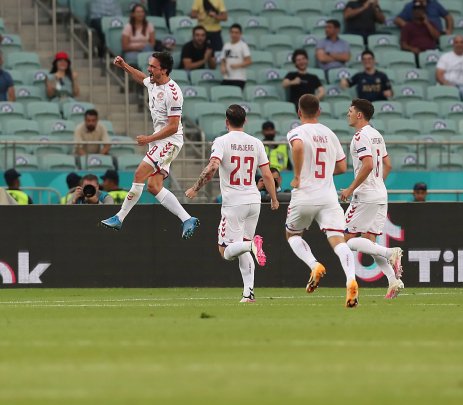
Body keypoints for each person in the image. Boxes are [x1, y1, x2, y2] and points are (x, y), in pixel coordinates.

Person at [100, 52, 200, 239]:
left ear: (164, 70)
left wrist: (148, 138)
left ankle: (119, 217)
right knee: (154, 186)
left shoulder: (173, 93)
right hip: (159, 141)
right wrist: (124, 66)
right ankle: (187, 219)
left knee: (139, 174)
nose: (149, 69)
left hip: (169, 141)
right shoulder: (153, 82)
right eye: (149, 65)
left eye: (153, 67)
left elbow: (172, 127)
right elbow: (142, 78)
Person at [185, 105, 279, 302]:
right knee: (242, 246)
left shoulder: (221, 141)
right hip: (254, 200)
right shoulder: (256, 143)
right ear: (245, 121)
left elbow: (212, 167)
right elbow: (267, 174)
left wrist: (195, 188)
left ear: (226, 122)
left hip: (234, 203)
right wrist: (274, 198)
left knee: (226, 252)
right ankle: (249, 293)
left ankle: (252, 246)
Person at [284, 94, 359, 308]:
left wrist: (297, 176)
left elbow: (297, 147)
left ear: (299, 112)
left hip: (305, 195)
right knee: (338, 240)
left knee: (292, 234)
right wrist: (325, 172)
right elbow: (343, 168)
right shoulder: (330, 134)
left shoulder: (296, 131)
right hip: (328, 196)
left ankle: (314, 264)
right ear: (319, 111)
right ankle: (351, 279)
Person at [340, 99, 404, 299]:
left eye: (350, 111)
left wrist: (351, 188)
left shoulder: (359, 137)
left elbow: (367, 164)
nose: (347, 114)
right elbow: (388, 164)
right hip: (380, 194)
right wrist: (378, 185)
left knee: (343, 240)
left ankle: (390, 252)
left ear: (359, 115)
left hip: (365, 196)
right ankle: (393, 281)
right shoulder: (376, 134)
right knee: (369, 242)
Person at [220, 24, 251, 90]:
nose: (234, 35)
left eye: (236, 33)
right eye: (232, 32)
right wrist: (223, 66)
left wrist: (237, 65)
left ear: (240, 34)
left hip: (239, 78)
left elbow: (248, 61)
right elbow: (224, 59)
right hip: (227, 77)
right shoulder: (227, 45)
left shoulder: (243, 45)